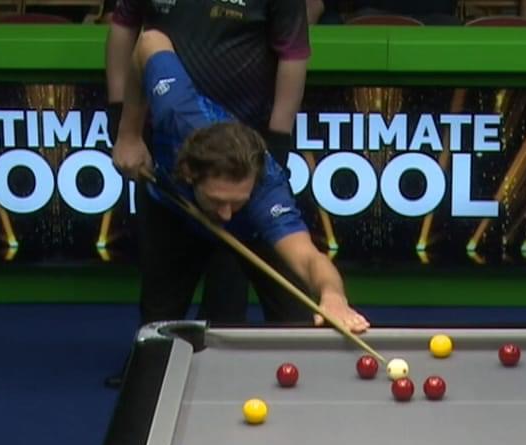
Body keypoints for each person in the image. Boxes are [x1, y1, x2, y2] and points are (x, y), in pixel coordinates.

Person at [102, 0, 312, 387]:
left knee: (234, 288)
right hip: (174, 140)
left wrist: (278, 139)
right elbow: (134, 35)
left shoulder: (259, 182)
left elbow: (293, 54)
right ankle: (151, 369)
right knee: (162, 284)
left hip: (246, 149)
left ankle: (222, 372)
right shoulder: (175, 109)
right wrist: (125, 128)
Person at [121, 29, 370, 340]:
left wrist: (333, 295)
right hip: (173, 210)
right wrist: (128, 134)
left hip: (252, 230)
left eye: (237, 200)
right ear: (188, 172)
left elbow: (309, 258)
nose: (226, 214)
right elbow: (150, 41)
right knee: (158, 321)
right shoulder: (176, 111)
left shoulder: (266, 191)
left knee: (299, 320)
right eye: (218, 200)